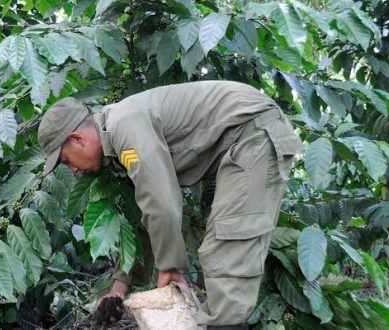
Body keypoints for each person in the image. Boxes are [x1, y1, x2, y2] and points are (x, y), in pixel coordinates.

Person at [37, 81, 303, 329]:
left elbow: (161, 201)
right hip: (244, 137)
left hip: (254, 133)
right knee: (222, 252)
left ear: (77, 139)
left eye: (66, 160)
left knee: (227, 251)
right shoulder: (118, 140)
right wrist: (121, 285)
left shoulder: (124, 125)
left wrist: (170, 266)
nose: (72, 170)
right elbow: (147, 214)